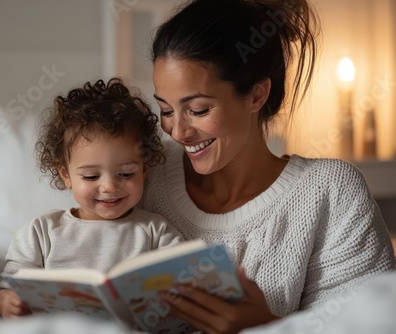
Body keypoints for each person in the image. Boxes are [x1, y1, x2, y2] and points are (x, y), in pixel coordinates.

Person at [139, 0, 396, 332]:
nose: (178, 131)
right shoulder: (143, 174)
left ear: (257, 95)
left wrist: (266, 327)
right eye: (167, 110)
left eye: (199, 109)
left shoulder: (331, 193)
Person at [0, 78, 183, 318]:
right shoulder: (43, 231)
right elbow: (9, 285)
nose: (110, 186)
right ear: (66, 175)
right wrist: (4, 302)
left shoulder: (155, 230)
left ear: (144, 170)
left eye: (126, 173)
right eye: (91, 176)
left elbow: (187, 279)